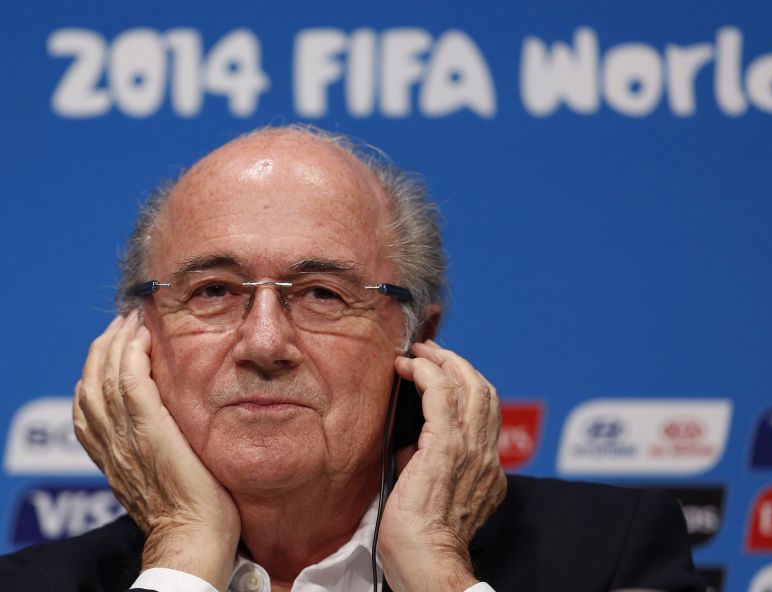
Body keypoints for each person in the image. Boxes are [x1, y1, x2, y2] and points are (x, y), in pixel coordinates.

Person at [0, 125, 705, 592]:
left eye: (322, 295)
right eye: (213, 291)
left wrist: (437, 568)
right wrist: (183, 557)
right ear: (139, 340)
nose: (265, 344)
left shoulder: (610, 553)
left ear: (416, 338)